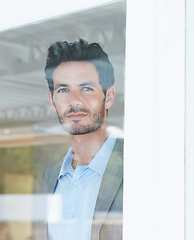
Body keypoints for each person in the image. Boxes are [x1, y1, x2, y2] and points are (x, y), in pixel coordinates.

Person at [38, 39, 123, 240]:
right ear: (52, 101)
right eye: (63, 89)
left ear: (109, 96)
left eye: (86, 88)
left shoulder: (138, 165)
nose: (74, 100)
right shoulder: (51, 173)